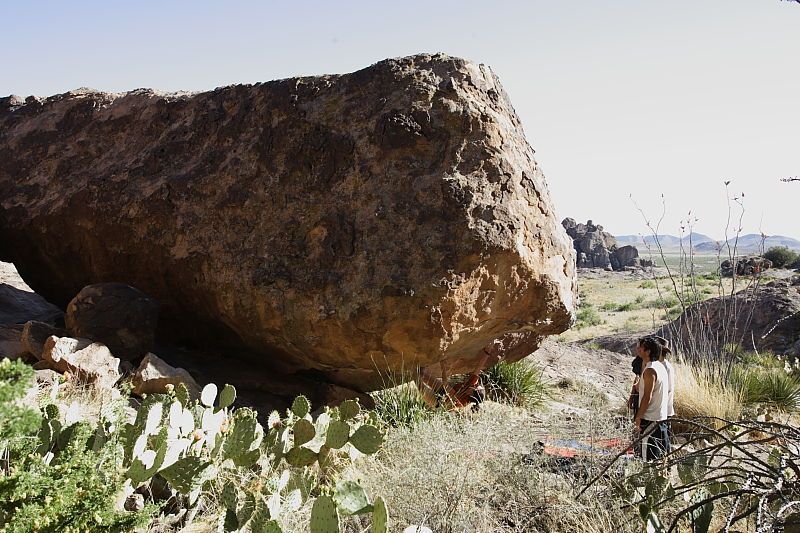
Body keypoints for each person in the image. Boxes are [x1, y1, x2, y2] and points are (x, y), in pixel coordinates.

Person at [633, 336, 671, 460]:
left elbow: (647, 397)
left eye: (641, 347)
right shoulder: (660, 367)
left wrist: (638, 417)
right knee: (661, 457)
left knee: (648, 459)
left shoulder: (650, 370)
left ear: (648, 351)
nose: (638, 350)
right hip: (660, 418)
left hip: (650, 419)